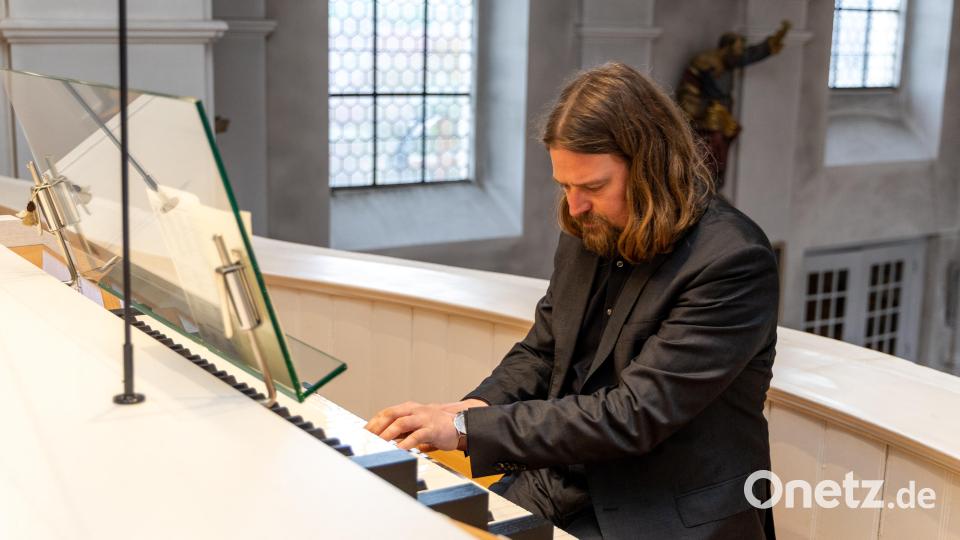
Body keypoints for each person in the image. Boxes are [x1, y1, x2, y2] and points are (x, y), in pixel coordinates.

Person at [365, 62, 779, 539]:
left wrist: (464, 428)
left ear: (650, 166)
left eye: (592, 186)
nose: (575, 205)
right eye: (565, 185)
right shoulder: (589, 223)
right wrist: (470, 406)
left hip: (664, 510)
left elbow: (634, 414)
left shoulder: (732, 259)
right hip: (562, 481)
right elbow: (544, 350)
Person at [675, 21, 791, 188]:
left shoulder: (730, 62)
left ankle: (714, 186)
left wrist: (769, 45)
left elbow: (748, 56)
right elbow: (686, 93)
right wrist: (706, 112)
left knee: (721, 154)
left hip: (722, 118)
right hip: (704, 120)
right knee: (705, 155)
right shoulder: (704, 62)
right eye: (736, 51)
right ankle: (700, 186)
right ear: (725, 48)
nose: (738, 57)